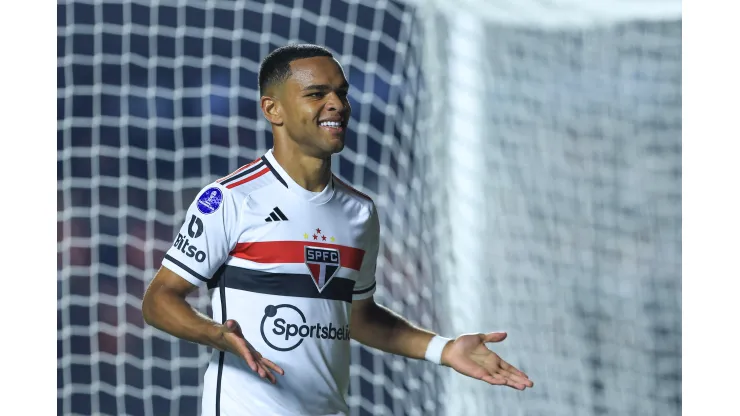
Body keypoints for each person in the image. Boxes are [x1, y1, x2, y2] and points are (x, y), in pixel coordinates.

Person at [142, 43, 533, 416]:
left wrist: (443, 349)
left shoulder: (360, 212)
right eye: (316, 94)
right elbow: (159, 299)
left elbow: (359, 318)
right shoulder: (230, 199)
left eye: (341, 94)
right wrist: (215, 334)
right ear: (273, 109)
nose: (338, 105)